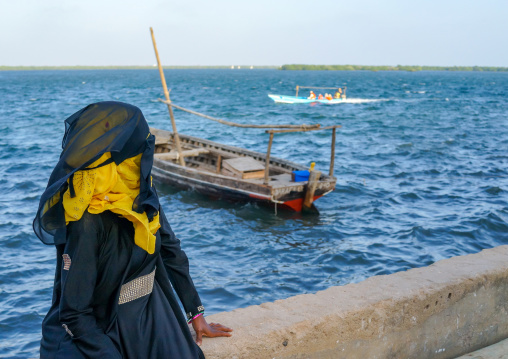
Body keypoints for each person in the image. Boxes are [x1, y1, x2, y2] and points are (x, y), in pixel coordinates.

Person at [34, 101, 232, 359]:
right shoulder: (86, 217)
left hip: (147, 311)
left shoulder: (139, 193)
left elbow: (171, 249)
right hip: (98, 327)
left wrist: (195, 313)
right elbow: (74, 314)